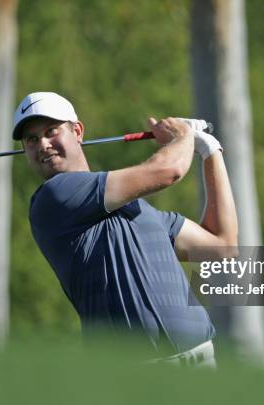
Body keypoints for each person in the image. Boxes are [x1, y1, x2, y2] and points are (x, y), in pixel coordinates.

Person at [12, 91, 238, 367]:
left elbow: (222, 247)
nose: (43, 144)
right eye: (31, 139)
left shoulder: (140, 211)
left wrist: (210, 151)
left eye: (51, 131)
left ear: (78, 131)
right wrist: (183, 136)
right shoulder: (54, 198)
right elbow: (169, 170)